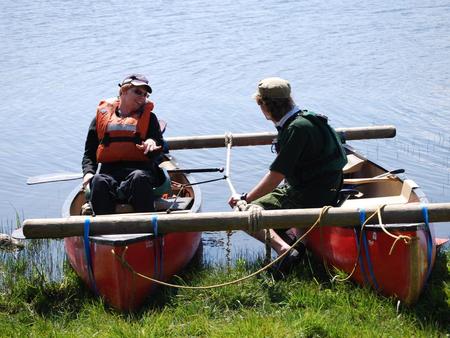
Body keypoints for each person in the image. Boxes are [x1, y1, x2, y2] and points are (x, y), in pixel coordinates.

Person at [228, 77, 348, 272]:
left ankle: (285, 252)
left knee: (244, 214)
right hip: (329, 189)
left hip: (310, 195)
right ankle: (299, 246)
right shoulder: (308, 118)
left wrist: (245, 199)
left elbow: (275, 177)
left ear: (265, 106)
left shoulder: (296, 129)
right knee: (271, 203)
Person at [82, 74, 166, 215]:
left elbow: (158, 147)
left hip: (140, 172)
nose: (142, 97)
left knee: (139, 177)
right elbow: (89, 153)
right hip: (110, 174)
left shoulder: (150, 118)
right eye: (137, 92)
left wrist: (152, 144)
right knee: (98, 180)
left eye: (145, 94)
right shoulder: (101, 119)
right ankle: (103, 231)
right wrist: (88, 173)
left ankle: (147, 231)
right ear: (123, 92)